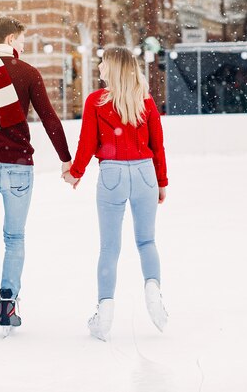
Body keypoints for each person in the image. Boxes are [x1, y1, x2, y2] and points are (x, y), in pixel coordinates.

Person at [0, 16, 73, 338]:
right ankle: (7, 303)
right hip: (19, 166)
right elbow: (49, 118)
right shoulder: (29, 73)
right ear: (10, 39)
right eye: (21, 40)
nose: (23, 46)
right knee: (15, 238)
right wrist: (66, 159)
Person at [63, 47, 168, 341]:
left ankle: (105, 311)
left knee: (110, 247)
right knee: (147, 241)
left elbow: (87, 142)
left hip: (112, 174)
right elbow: (157, 145)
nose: (98, 66)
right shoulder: (144, 101)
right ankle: (153, 290)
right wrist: (161, 181)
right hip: (145, 172)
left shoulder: (97, 102)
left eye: (102, 63)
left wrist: (76, 172)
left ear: (113, 68)